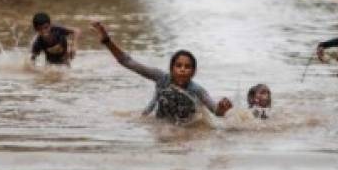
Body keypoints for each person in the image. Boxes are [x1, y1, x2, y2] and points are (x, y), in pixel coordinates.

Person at [89, 21, 232, 123]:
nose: (182, 69)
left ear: (193, 72)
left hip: (184, 126)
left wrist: (222, 108)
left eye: (187, 67)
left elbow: (216, 112)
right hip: (155, 122)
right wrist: (107, 40)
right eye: (178, 65)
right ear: (171, 69)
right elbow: (128, 62)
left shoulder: (196, 90)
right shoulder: (161, 78)